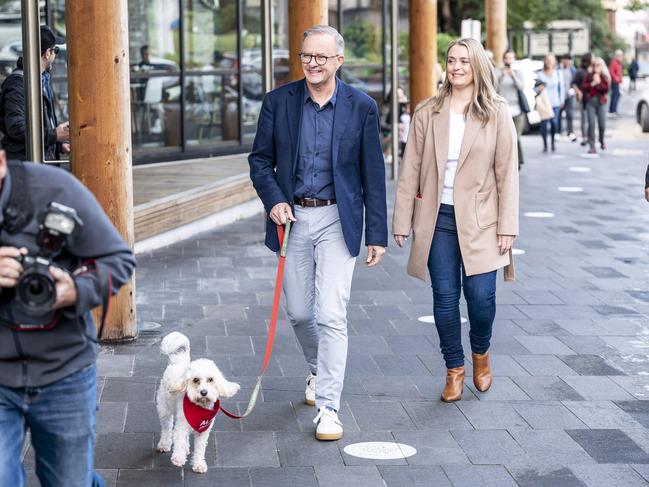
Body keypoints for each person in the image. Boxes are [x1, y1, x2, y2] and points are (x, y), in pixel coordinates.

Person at [248, 25, 387, 440]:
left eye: (321, 57)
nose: (312, 63)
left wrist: (376, 234)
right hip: (291, 220)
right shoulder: (279, 103)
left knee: (330, 313)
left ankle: (328, 407)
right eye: (306, 55)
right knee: (301, 312)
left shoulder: (361, 106)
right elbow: (260, 160)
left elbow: (372, 174)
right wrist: (274, 200)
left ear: (338, 62)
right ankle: (316, 368)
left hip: (336, 220)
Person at [392, 38, 518, 403]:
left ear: (477, 65)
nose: (457, 67)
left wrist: (507, 225)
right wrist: (402, 220)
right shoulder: (427, 111)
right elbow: (410, 168)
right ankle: (454, 369)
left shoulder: (496, 112)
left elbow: (507, 172)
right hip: (437, 219)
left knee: (481, 298)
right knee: (445, 299)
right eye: (451, 60)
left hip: (483, 221)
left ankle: (481, 352)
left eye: (464, 60)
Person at [0, 150, 136, 486]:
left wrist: (73, 290)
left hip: (65, 371)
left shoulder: (55, 189)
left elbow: (118, 259)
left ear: (1, 161)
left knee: (69, 481)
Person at [0, 25, 70, 161]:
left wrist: (58, 143)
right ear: (47, 53)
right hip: (27, 167)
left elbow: (44, 124)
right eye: (55, 50)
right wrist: (54, 135)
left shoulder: (40, 78)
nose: (55, 54)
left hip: (38, 163)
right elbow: (16, 127)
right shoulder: (18, 83)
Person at [496, 49, 526, 169]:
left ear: (514, 59)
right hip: (503, 110)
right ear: (503, 59)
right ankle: (508, 162)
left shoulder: (518, 72)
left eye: (511, 58)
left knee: (515, 137)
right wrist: (501, 76)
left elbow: (521, 87)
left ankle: (518, 162)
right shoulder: (498, 72)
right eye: (506, 58)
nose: (508, 60)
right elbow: (493, 88)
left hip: (517, 111)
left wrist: (513, 76)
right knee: (505, 138)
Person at [536, 53, 565, 152]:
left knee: (554, 123)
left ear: (554, 62)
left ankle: (552, 142)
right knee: (544, 124)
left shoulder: (558, 73)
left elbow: (561, 88)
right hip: (544, 103)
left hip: (555, 102)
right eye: (547, 60)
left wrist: (562, 100)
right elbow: (535, 88)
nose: (549, 62)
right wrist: (539, 88)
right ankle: (545, 144)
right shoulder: (539, 74)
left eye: (551, 60)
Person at [582, 57, 609, 154]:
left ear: (601, 67)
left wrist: (599, 83)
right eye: (594, 65)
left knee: (602, 125)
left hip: (601, 102)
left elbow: (606, 89)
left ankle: (601, 140)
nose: (596, 67)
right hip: (591, 102)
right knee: (591, 124)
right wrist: (593, 83)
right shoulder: (589, 76)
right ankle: (592, 145)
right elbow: (584, 87)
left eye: (598, 65)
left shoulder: (604, 77)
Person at [572, 53, 592, 146]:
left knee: (590, 119)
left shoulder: (592, 70)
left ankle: (590, 137)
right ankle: (584, 137)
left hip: (591, 98)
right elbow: (574, 83)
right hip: (582, 98)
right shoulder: (580, 71)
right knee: (584, 118)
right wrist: (578, 92)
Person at [559, 54, 577, 141]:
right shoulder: (558, 69)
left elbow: (576, 82)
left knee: (570, 114)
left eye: (568, 60)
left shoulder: (573, 70)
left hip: (569, 95)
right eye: (564, 59)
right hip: (560, 96)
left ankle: (570, 132)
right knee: (559, 114)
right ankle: (558, 132)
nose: (566, 61)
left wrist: (573, 89)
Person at [608, 50, 623, 116]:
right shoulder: (614, 62)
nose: (621, 57)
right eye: (620, 56)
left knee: (616, 96)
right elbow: (611, 72)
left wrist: (620, 80)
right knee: (615, 96)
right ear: (617, 56)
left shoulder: (619, 63)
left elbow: (619, 72)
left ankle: (613, 110)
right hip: (614, 82)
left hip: (617, 82)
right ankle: (612, 111)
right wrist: (616, 78)